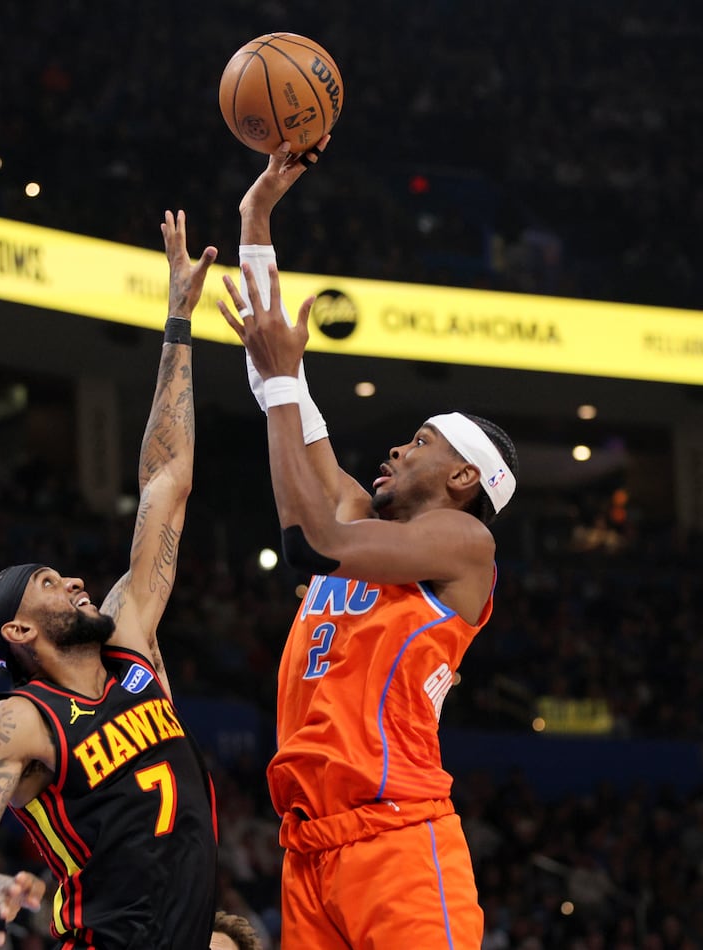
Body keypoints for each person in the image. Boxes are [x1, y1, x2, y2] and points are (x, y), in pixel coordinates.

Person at [218, 140, 519, 949]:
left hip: (398, 837)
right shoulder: (365, 518)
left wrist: (282, 378)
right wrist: (256, 223)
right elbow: (279, 380)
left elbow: (312, 541)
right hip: (308, 848)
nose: (395, 449)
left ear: (463, 479)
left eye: (420, 442)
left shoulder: (461, 543)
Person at [0, 210, 220, 950]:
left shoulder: (131, 638)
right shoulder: (20, 721)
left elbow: (165, 481)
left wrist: (178, 323)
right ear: (19, 629)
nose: (78, 583)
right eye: (52, 583)